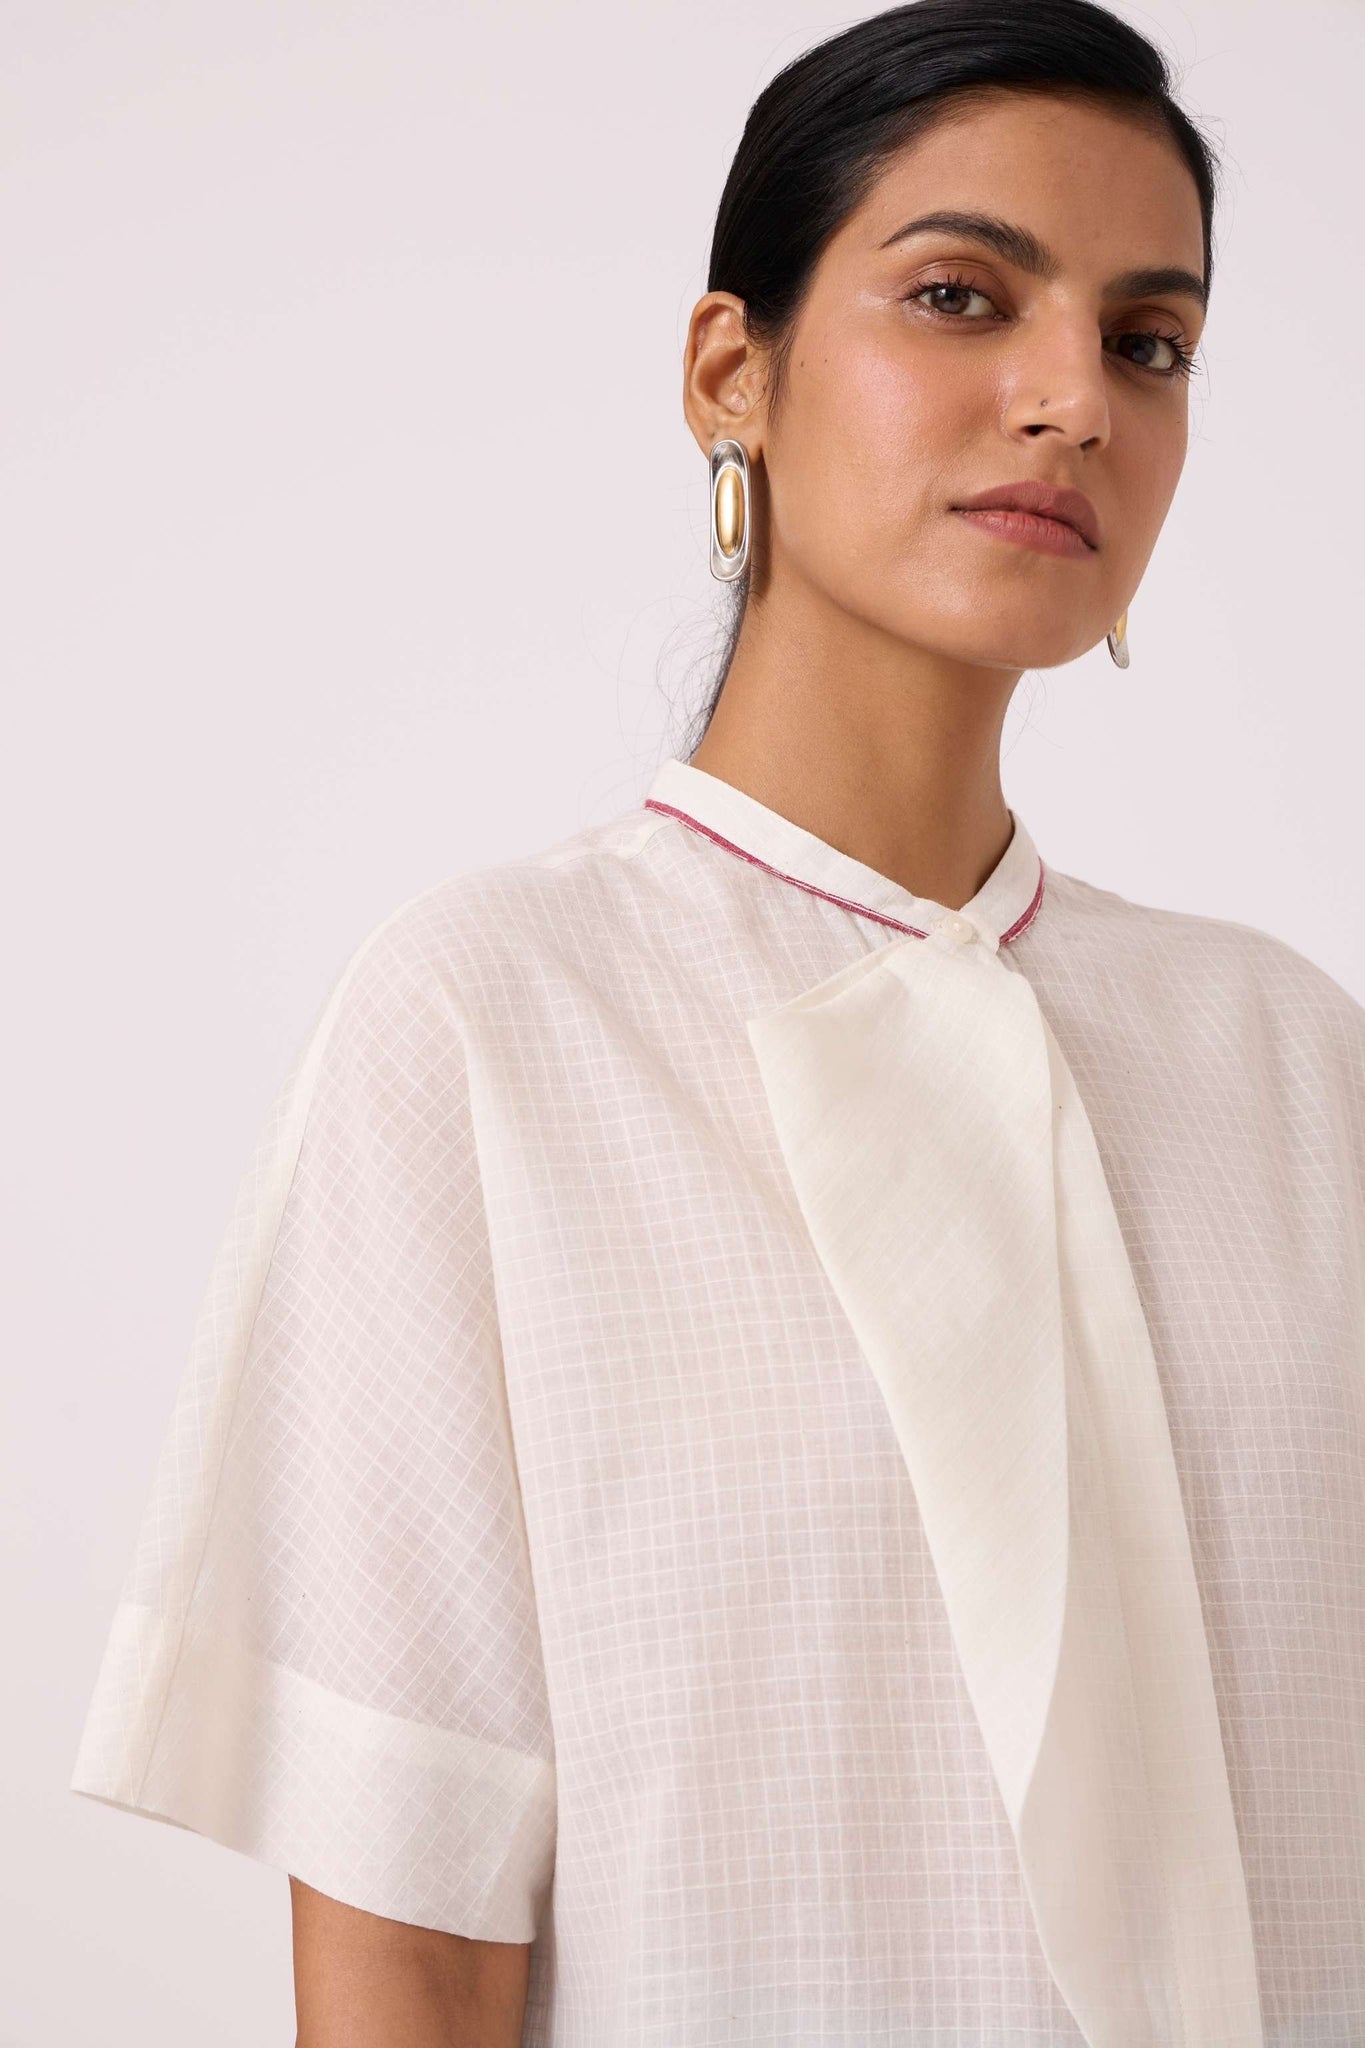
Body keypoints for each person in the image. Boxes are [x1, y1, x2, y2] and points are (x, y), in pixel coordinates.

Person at [69, 1, 1365, 2042]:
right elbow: (414, 1950)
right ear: (728, 374)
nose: (1070, 402)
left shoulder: (1288, 1063)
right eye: (960, 296)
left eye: (1147, 342)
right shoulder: (491, 1022)